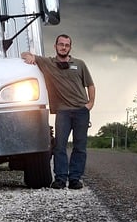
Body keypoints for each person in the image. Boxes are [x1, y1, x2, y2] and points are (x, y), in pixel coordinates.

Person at [21, 34, 95, 189]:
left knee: (79, 146)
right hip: (63, 112)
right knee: (59, 146)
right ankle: (60, 179)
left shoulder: (79, 64)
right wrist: (29, 58)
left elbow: (90, 85)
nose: (64, 47)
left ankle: (75, 179)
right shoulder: (48, 63)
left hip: (81, 111)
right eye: (61, 44)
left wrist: (90, 104)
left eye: (67, 45)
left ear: (70, 48)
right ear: (55, 46)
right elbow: (25, 54)